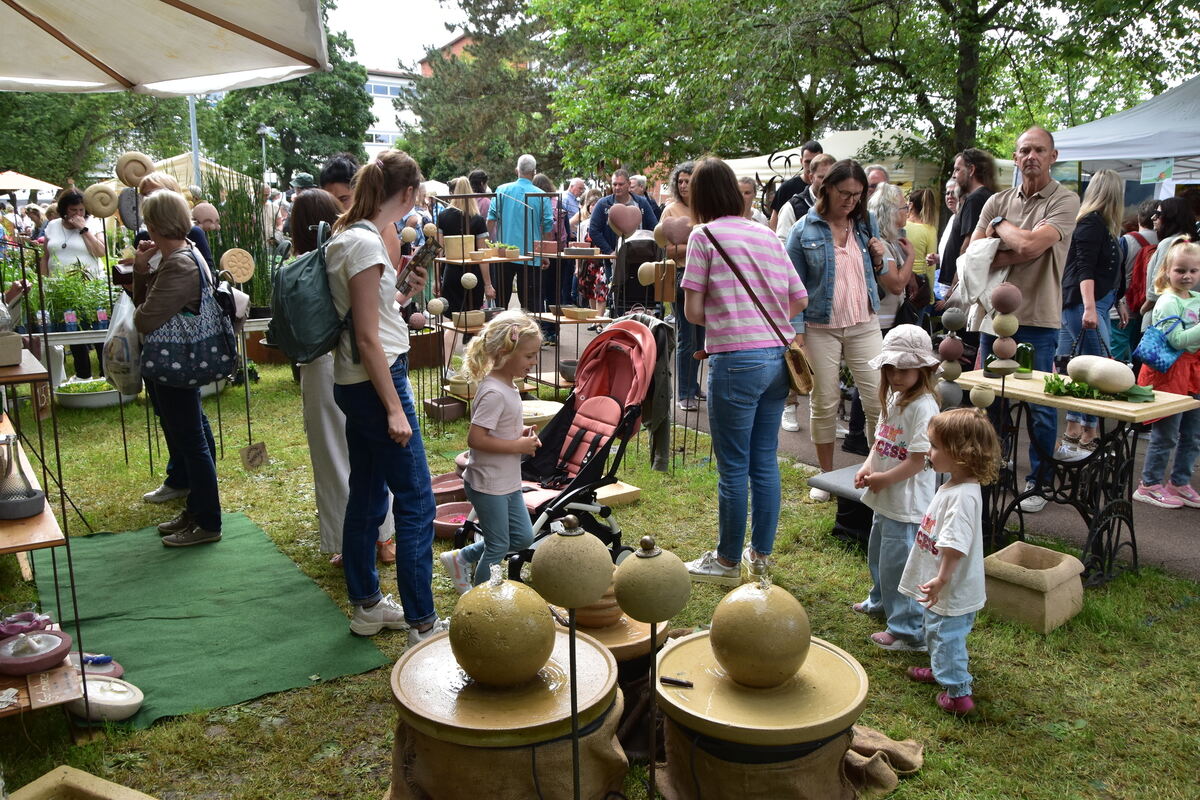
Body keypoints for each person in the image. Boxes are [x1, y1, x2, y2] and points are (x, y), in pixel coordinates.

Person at [326, 150, 444, 641]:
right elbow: (368, 337)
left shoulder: (353, 237)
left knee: (370, 494)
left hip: (359, 383)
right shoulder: (364, 244)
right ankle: (423, 623)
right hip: (377, 384)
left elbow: (374, 317)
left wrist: (405, 294)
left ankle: (368, 605)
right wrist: (395, 409)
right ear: (409, 193)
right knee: (417, 501)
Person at [680, 157, 808, 583]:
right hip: (777, 359)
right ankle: (762, 556)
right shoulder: (765, 234)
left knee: (733, 467)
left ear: (697, 197)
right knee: (763, 462)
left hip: (736, 360)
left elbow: (694, 311)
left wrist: (731, 318)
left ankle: (727, 561)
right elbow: (798, 299)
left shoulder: (703, 235)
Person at [971, 127, 1079, 513]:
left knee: (1041, 405)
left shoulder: (1065, 200)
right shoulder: (997, 199)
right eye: (1024, 150)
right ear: (1015, 158)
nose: (1030, 156)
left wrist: (1001, 228)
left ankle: (1039, 482)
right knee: (991, 401)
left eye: (1039, 150)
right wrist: (1022, 246)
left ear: (1053, 156)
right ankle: (993, 472)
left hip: (1039, 317)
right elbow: (974, 257)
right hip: (994, 319)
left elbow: (1032, 245)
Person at [786, 159, 905, 499]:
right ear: (826, 190)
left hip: (864, 322)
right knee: (825, 401)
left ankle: (875, 471)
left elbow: (881, 276)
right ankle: (827, 476)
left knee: (878, 399)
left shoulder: (865, 224)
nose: (851, 201)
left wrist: (880, 258)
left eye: (857, 195)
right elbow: (790, 287)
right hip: (820, 326)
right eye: (844, 193)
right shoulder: (803, 230)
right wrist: (797, 333)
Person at [290, 188, 396, 566]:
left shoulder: (312, 261)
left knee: (338, 456)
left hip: (327, 365)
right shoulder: (346, 250)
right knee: (364, 452)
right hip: (354, 362)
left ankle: (355, 540)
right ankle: (377, 537)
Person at [132, 190, 223, 547]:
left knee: (192, 440)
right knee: (193, 435)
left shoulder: (179, 263)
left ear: (155, 225)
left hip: (176, 362)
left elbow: (144, 317)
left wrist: (141, 272)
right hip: (180, 361)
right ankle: (198, 511)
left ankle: (208, 520)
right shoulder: (186, 253)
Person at [899, 408, 1000, 715]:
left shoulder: (963, 497)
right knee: (936, 632)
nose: (929, 452)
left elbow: (955, 545)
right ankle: (939, 667)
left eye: (934, 446)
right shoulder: (956, 485)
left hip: (951, 588)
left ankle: (958, 692)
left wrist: (941, 580)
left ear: (960, 454)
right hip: (944, 586)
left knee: (946, 637)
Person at [440, 311, 542, 591]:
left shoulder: (507, 386)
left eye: (535, 355)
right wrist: (517, 446)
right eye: (529, 356)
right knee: (498, 545)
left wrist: (518, 434)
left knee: (521, 538)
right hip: (487, 483)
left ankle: (461, 557)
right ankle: (481, 602)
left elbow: (495, 431)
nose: (534, 362)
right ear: (504, 353)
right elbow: (476, 438)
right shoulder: (494, 392)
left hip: (506, 482)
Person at [853, 325, 940, 652]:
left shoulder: (924, 407)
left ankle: (907, 630)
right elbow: (881, 441)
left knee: (901, 566)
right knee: (879, 557)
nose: (895, 375)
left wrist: (883, 479)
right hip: (885, 499)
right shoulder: (894, 397)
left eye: (904, 369)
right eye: (890, 368)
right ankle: (880, 600)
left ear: (924, 369)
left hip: (906, 507)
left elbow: (919, 461)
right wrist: (867, 467)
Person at [840, 183, 916, 457]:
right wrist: (912, 259)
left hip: (885, 319)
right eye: (904, 207)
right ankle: (857, 435)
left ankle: (862, 434)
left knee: (875, 379)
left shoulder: (889, 241)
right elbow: (896, 285)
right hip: (880, 321)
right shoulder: (881, 244)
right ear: (889, 212)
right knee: (874, 380)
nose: (907, 212)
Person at [1055, 170, 1125, 461]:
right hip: (1083, 302)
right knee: (1096, 371)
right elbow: (1084, 267)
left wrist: (1116, 300)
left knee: (1080, 368)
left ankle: (1076, 431)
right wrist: (1089, 307)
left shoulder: (1100, 225)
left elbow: (1104, 270)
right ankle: (1087, 433)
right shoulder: (1092, 224)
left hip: (1090, 301)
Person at [1132, 239, 1200, 509]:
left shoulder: (1195, 298)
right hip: (1171, 373)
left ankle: (1180, 482)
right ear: (1167, 271)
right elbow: (1177, 340)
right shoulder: (1168, 301)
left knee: (1193, 434)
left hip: (1193, 371)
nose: (1187, 276)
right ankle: (1148, 485)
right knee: (1166, 434)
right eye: (1180, 270)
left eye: (1193, 271)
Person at [40, 189, 108, 381]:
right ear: (64, 210)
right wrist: (44, 282)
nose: (78, 214)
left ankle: (105, 373)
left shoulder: (92, 223)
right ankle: (83, 374)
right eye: (73, 210)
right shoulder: (53, 225)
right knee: (72, 329)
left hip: (89, 286)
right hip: (62, 287)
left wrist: (84, 230)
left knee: (96, 328)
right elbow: (46, 256)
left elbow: (101, 252)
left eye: (81, 210)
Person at [487, 154, 554, 310]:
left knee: (501, 303)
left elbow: (491, 220)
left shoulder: (502, 190)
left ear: (517, 170)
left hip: (503, 253)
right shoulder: (541, 195)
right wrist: (544, 254)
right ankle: (530, 333)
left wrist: (487, 246)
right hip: (531, 255)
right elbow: (547, 227)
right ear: (534, 172)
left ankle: (500, 332)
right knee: (531, 305)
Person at [660, 162, 702, 410]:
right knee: (687, 336)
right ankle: (684, 392)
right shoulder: (670, 211)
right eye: (680, 181)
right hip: (681, 275)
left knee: (703, 337)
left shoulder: (704, 208)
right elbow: (666, 249)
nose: (684, 185)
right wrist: (696, 243)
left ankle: (694, 387)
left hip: (705, 276)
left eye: (688, 180)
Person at [436, 175, 491, 350]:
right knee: (474, 323)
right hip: (473, 275)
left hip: (451, 272)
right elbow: (481, 256)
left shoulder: (443, 216)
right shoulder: (478, 219)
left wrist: (437, 279)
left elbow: (439, 250)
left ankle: (447, 367)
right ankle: (476, 366)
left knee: (451, 323)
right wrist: (488, 284)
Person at [941, 148, 999, 291]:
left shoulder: (975, 199)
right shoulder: (985, 196)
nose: (954, 175)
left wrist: (955, 283)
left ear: (971, 170)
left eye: (957, 170)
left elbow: (970, 243)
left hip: (965, 283)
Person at [1111, 199, 1158, 362]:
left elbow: (1116, 273)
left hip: (1124, 305)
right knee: (1139, 353)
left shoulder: (1127, 240)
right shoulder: (1167, 241)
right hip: (1150, 307)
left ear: (1139, 218)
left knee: (1115, 353)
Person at [1141, 197, 1196, 313]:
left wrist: (1144, 308)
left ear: (1171, 217)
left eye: (1158, 214)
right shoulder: (1191, 243)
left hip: (1162, 315)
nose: (1153, 217)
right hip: (1188, 314)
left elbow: (1160, 281)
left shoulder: (1170, 243)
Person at [588, 168, 660, 255]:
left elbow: (654, 227)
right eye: (614, 184)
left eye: (621, 184)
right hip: (612, 259)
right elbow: (593, 230)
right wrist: (609, 252)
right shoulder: (603, 204)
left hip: (639, 255)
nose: (617, 187)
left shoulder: (642, 203)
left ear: (629, 184)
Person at [775, 153, 837, 242]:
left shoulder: (842, 205)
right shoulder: (791, 208)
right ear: (811, 177)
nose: (826, 182)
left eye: (831, 177)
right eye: (821, 177)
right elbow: (782, 245)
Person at [768, 140, 822, 231]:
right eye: (808, 162)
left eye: (815, 162)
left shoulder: (830, 189)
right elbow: (774, 224)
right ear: (801, 161)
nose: (811, 166)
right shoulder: (787, 188)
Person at [572, 189, 606, 316]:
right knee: (590, 292)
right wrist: (577, 267)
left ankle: (599, 320)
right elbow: (578, 248)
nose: (594, 207)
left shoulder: (607, 224)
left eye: (597, 205)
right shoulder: (583, 225)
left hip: (602, 262)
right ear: (589, 207)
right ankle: (593, 317)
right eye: (592, 205)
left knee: (601, 291)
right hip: (588, 263)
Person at [931, 180, 960, 300]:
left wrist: (953, 287)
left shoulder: (963, 220)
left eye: (954, 193)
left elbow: (964, 256)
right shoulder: (953, 218)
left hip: (956, 289)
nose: (949, 196)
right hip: (945, 288)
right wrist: (939, 258)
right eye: (947, 193)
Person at [905, 188, 939, 290]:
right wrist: (931, 296)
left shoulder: (900, 226)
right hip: (919, 280)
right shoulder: (930, 230)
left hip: (900, 275)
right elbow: (930, 265)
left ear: (911, 205)